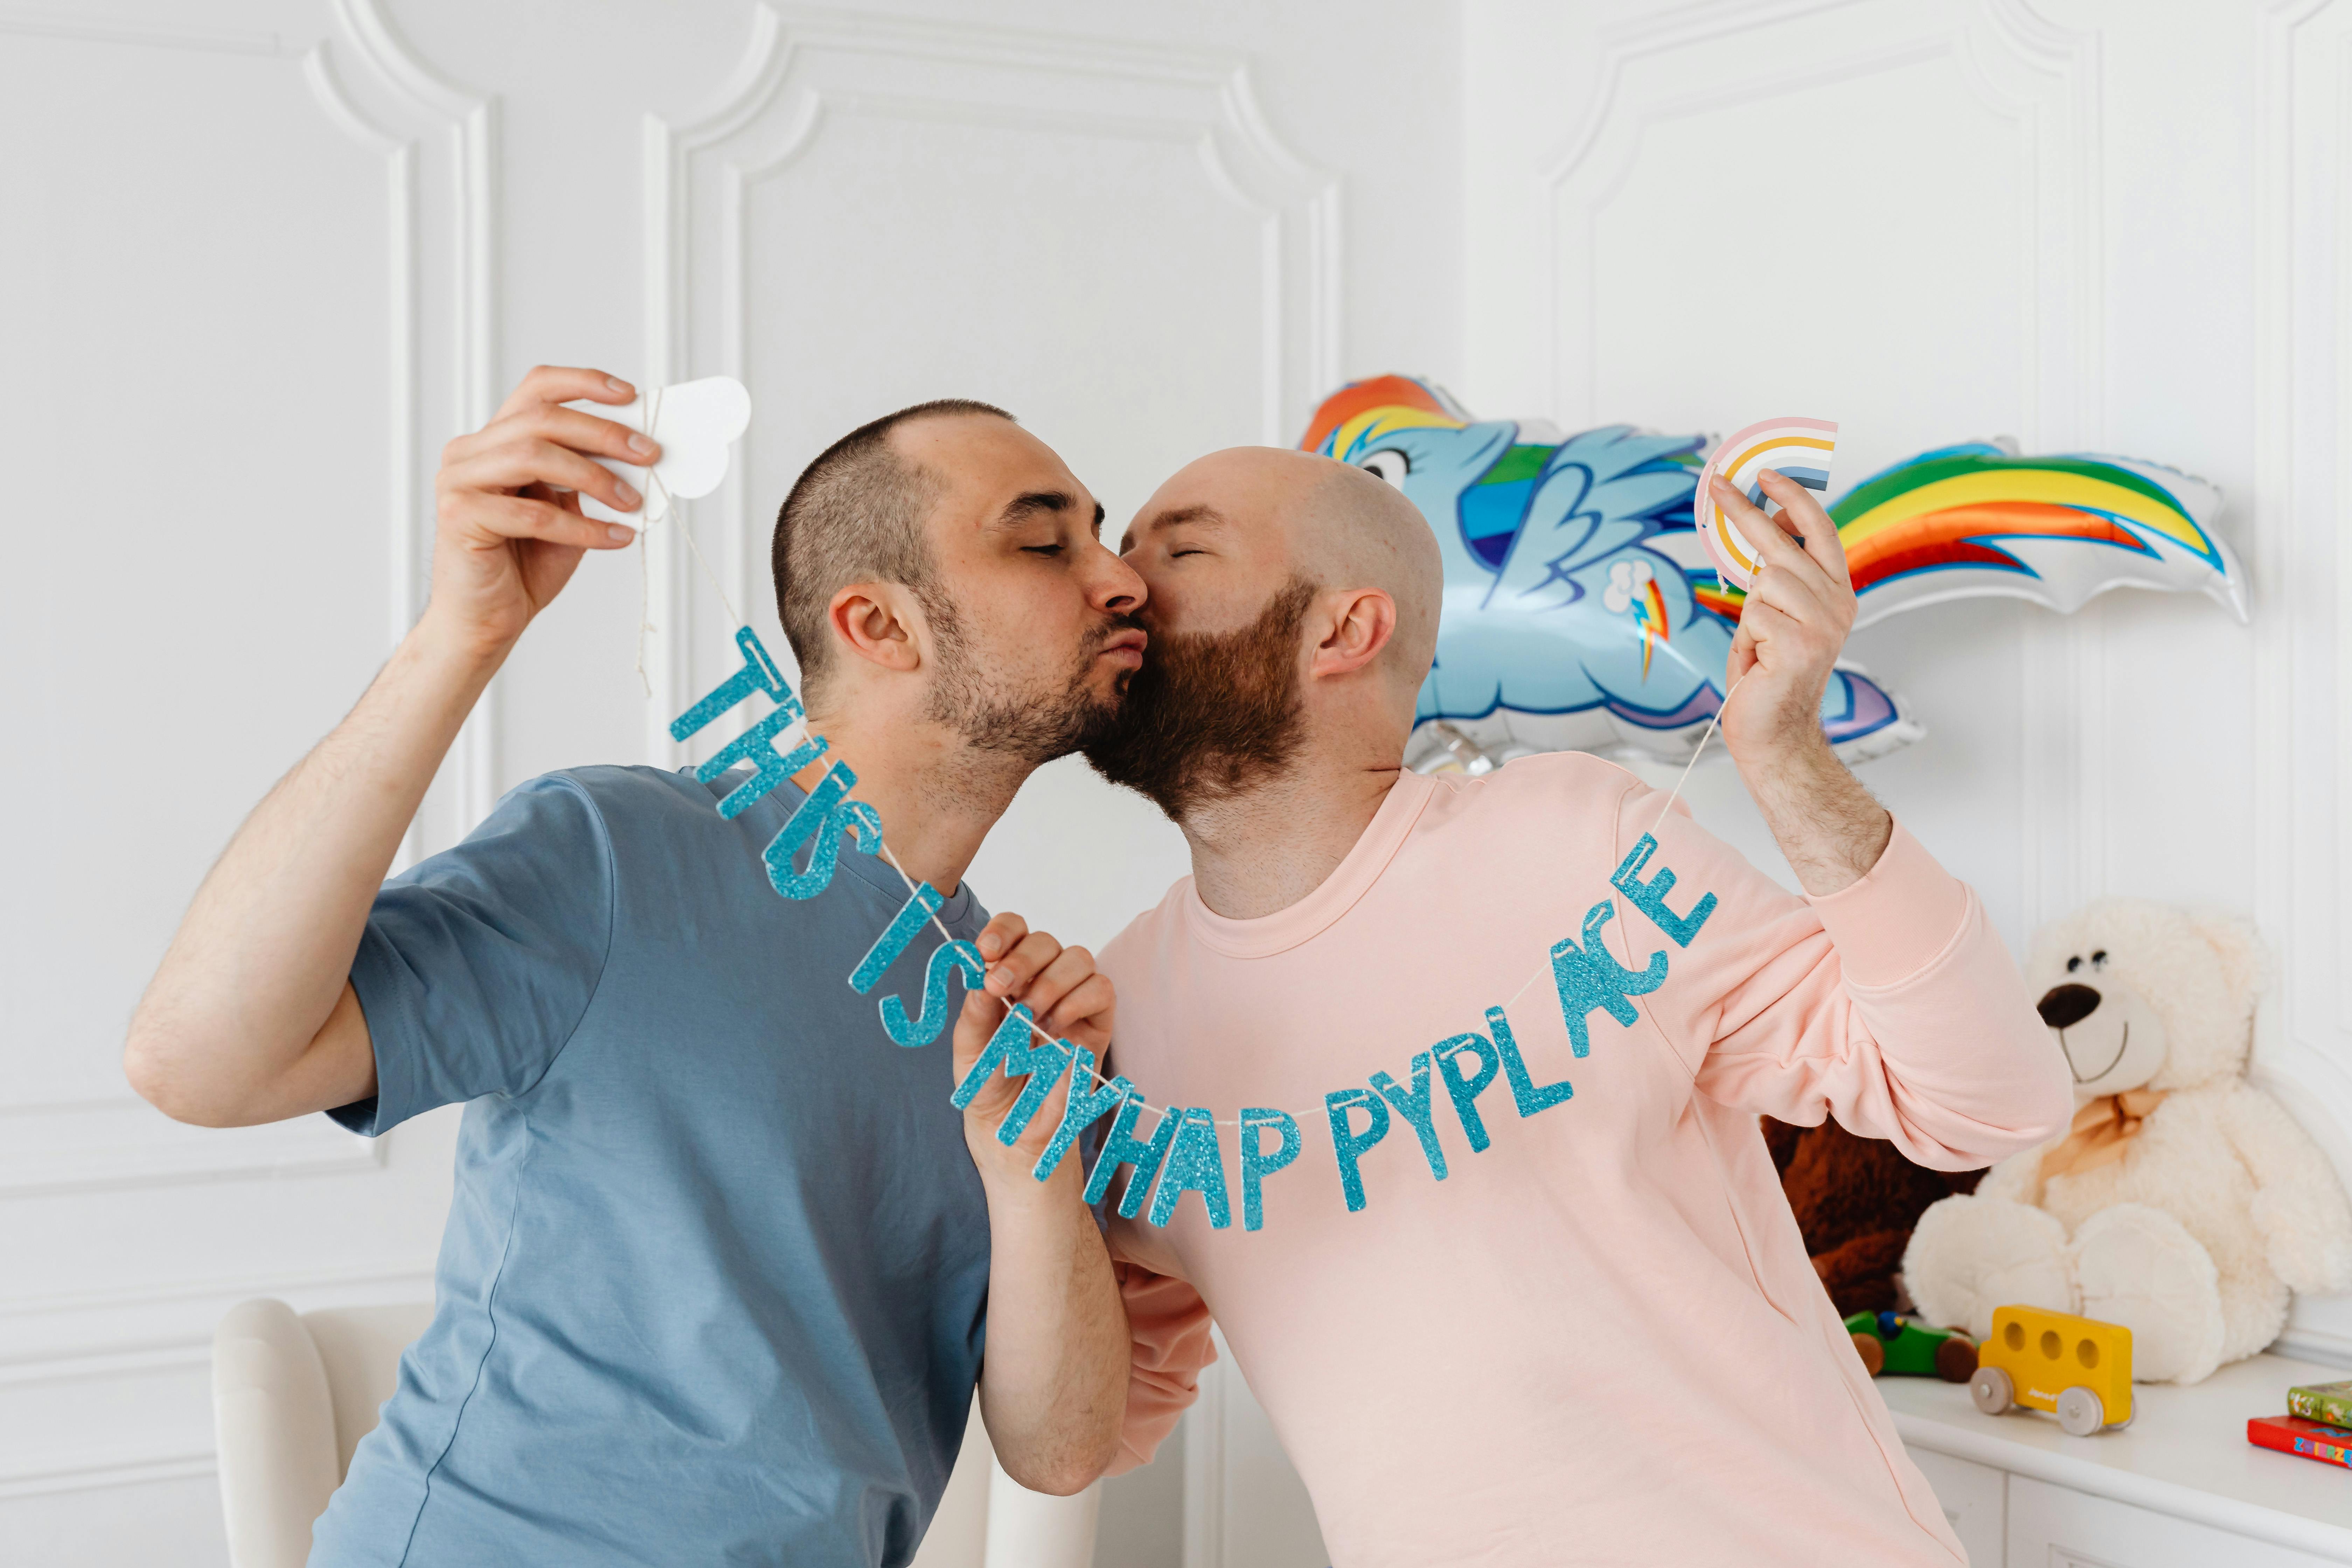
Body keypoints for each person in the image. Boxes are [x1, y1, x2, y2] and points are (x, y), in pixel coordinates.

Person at [124, 368, 1148, 1567]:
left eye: (1105, 537)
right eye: (1043, 541)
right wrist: (467, 633)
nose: (1120, 577)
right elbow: (196, 1065)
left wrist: (1035, 1180)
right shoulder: (617, 856)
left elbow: (1061, 1453)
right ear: (879, 625)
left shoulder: (1007, 1011)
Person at [1076, 448, 2073, 1566]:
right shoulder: (1111, 1021)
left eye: (1180, 549)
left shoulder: (1576, 843)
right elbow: (1098, 1426)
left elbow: (1990, 1103)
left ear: (1342, 632)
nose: (1116, 584)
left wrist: (1788, 761)